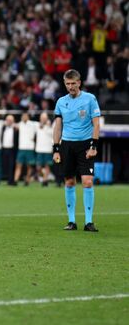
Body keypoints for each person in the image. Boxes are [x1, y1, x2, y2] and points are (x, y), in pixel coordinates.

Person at [53, 69, 101, 232]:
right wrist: (56, 148)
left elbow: (96, 124)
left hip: (85, 145)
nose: (71, 87)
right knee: (69, 181)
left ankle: (89, 222)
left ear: (79, 83)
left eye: (73, 83)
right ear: (65, 84)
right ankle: (72, 221)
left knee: (87, 182)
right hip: (67, 145)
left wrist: (93, 146)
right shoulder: (60, 101)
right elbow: (58, 126)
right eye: (68, 84)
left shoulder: (90, 99)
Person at [35, 112, 53, 187]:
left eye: (45, 118)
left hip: (48, 149)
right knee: (38, 167)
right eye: (42, 118)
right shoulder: (36, 125)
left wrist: (48, 126)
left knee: (47, 166)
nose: (43, 119)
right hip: (39, 149)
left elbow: (53, 135)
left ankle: (45, 181)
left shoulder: (51, 126)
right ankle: (43, 177)